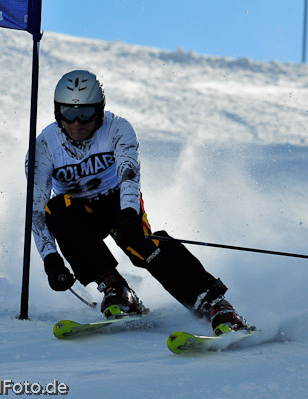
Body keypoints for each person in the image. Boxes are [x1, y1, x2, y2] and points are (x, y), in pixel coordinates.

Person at [27, 70, 251, 336]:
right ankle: (115, 288)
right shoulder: (43, 147)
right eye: (68, 113)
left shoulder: (118, 128)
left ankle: (215, 304)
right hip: (78, 215)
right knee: (58, 210)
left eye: (85, 114)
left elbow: (129, 176)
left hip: (119, 203)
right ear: (57, 112)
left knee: (143, 246)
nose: (76, 123)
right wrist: (50, 259)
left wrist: (130, 216)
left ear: (99, 111)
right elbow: (36, 209)